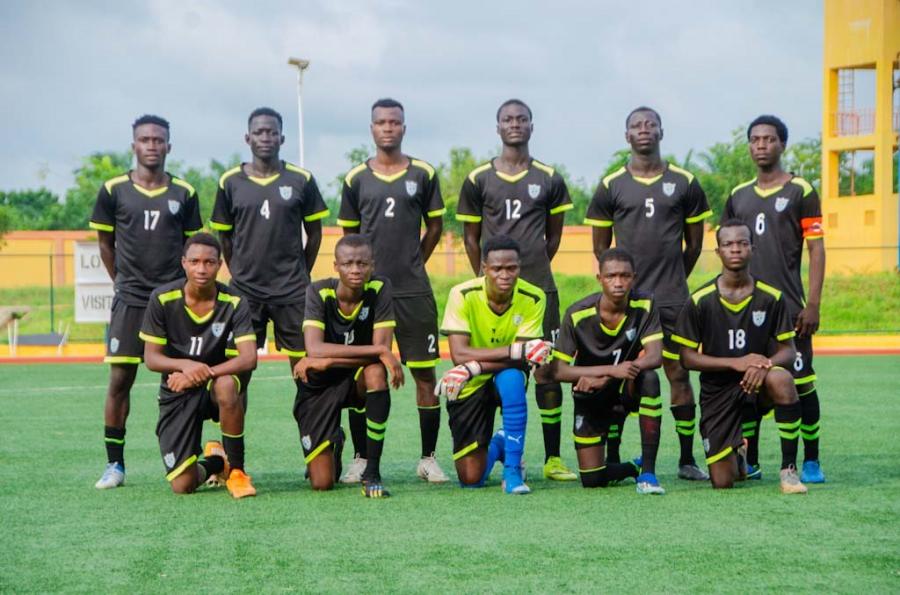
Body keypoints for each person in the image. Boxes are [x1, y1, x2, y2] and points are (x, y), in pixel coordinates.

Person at [585, 106, 712, 481]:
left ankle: (687, 459)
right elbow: (601, 250)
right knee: (620, 375)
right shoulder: (611, 185)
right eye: (636, 126)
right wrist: (623, 289)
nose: (644, 130)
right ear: (627, 136)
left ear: (661, 131)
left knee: (677, 373)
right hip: (628, 302)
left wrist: (672, 282)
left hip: (672, 298)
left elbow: (693, 246)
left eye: (650, 124)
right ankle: (613, 455)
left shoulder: (685, 182)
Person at [457, 99, 576, 482]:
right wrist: (487, 273)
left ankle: (553, 458)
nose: (515, 124)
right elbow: (471, 237)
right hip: (495, 290)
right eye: (507, 119)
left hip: (539, 286)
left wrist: (534, 269)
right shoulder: (478, 178)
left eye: (521, 118)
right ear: (497, 127)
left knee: (547, 370)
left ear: (531, 125)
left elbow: (553, 236)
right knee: (503, 369)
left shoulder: (550, 177)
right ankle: (507, 446)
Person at [337, 98, 448, 483]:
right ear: (372, 129)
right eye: (381, 122)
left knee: (424, 375)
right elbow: (348, 238)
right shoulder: (355, 179)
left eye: (395, 122)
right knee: (360, 373)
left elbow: (434, 227)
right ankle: (360, 458)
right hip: (367, 294)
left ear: (404, 127)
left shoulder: (424, 173)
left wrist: (414, 260)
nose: (388, 128)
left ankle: (428, 458)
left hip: (413, 290)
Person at [90, 114, 203, 489]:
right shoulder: (113, 190)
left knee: (184, 377)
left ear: (169, 147)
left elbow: (192, 248)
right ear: (134, 145)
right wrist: (123, 283)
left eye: (158, 140)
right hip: (132, 299)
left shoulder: (184, 193)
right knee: (121, 379)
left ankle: (191, 455)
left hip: (173, 301)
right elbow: (106, 245)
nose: (152, 146)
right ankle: (115, 465)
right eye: (145, 140)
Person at [723, 114, 826, 483]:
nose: (761, 145)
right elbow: (725, 246)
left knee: (801, 382)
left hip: (790, 308)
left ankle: (810, 460)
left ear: (782, 144)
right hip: (747, 309)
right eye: (755, 139)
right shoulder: (738, 195)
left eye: (769, 139)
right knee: (750, 381)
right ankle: (750, 460)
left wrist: (812, 303)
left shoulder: (801, 190)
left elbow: (817, 250)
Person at [672, 220, 807, 494]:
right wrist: (736, 362)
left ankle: (789, 470)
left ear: (752, 249)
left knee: (782, 380)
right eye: (728, 244)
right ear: (718, 252)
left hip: (756, 384)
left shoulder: (771, 297)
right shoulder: (700, 300)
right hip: (717, 392)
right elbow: (686, 358)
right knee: (723, 482)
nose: (736, 249)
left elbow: (789, 351)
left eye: (743, 243)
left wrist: (764, 364)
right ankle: (740, 452)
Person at [210, 107, 328, 410]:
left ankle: (316, 441)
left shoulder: (301, 179)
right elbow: (224, 236)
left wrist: (302, 270)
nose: (266, 137)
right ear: (248, 137)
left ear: (282, 137)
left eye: (272, 132)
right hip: (246, 292)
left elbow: (314, 233)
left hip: (292, 290)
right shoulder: (230, 182)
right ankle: (232, 454)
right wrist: (239, 272)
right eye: (259, 132)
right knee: (238, 373)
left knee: (306, 371)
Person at [139, 233, 259, 497]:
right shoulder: (162, 299)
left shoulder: (235, 302)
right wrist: (185, 366)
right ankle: (218, 462)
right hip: (179, 387)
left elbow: (249, 358)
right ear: (184, 263)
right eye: (195, 261)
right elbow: (151, 358)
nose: (201, 269)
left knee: (227, 385)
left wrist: (203, 372)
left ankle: (237, 471)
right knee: (183, 485)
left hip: (218, 383)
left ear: (220, 265)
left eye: (209, 262)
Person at [437, 235, 553, 494]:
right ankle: (499, 444)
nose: (505, 274)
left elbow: (523, 359)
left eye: (511, 268)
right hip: (468, 383)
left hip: (496, 374)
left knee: (512, 378)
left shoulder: (533, 297)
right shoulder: (462, 294)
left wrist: (474, 365)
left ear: (519, 268)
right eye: (497, 268)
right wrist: (512, 351)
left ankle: (512, 471)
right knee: (470, 479)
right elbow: (458, 354)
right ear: (484, 268)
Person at [292, 235, 403, 498]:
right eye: (348, 263)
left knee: (375, 373)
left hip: (355, 379)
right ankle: (335, 441)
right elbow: (315, 349)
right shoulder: (318, 291)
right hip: (318, 385)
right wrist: (376, 350)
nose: (356, 270)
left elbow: (381, 351)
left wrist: (332, 358)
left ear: (372, 265)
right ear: (336, 266)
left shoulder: (380, 288)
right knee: (322, 482)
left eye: (362, 263)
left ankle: (372, 472)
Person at [551, 248, 666, 494]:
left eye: (625, 276)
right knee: (592, 480)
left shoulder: (645, 304)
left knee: (650, 379)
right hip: (591, 394)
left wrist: (611, 376)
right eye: (611, 276)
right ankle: (632, 469)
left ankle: (648, 473)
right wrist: (608, 373)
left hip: (626, 387)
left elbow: (655, 356)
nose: (618, 282)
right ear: (599, 278)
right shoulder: (577, 314)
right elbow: (558, 370)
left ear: (633, 277)